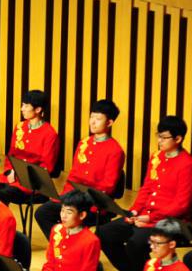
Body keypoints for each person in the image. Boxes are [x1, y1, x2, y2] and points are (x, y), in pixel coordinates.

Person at [98, 115, 192, 271]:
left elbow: (181, 205)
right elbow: (147, 188)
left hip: (170, 222)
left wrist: (150, 218)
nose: (159, 141)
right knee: (104, 233)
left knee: (135, 242)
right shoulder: (156, 157)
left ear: (178, 139)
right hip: (146, 215)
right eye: (158, 136)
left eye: (164, 137)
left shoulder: (188, 165)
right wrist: (134, 212)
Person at [33, 99, 124, 239]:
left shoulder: (115, 151)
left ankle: (70, 243)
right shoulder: (84, 143)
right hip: (73, 198)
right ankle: (61, 243)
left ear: (109, 122)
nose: (93, 122)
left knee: (70, 216)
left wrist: (79, 200)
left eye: (98, 119)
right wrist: (64, 197)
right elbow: (73, 176)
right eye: (92, 117)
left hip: (93, 203)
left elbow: (108, 187)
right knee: (42, 213)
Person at [0, 90, 59, 205]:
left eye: (26, 106)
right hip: (11, 176)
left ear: (38, 109)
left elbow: (46, 167)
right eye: (22, 105)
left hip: (32, 183)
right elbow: (11, 155)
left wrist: (20, 174)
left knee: (1, 194)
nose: (22, 109)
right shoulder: (19, 127)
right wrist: (9, 171)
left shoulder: (50, 134)